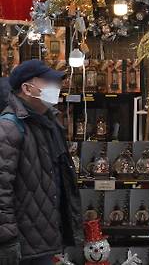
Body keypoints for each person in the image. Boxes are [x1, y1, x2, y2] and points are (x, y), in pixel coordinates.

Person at [0, 60, 83, 265]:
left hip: (42, 238)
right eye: (48, 82)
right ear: (27, 88)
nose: (56, 87)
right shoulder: (9, 127)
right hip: (22, 243)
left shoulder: (47, 122)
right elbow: (2, 188)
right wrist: (7, 239)